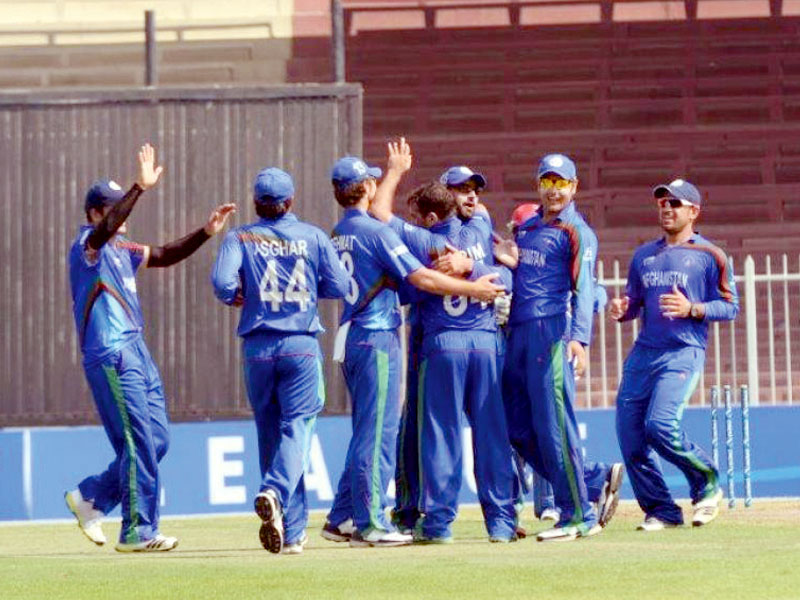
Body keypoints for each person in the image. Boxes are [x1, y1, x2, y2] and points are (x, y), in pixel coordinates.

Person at [322, 147, 505, 548]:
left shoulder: (339, 234)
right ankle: (370, 523)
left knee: (365, 432)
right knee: (380, 434)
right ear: (367, 187)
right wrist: (476, 285)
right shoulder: (379, 232)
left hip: (351, 334)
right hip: (379, 336)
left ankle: (340, 517)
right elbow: (423, 280)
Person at [65, 144, 235, 552]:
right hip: (110, 352)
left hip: (135, 349)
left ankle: (91, 497)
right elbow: (107, 230)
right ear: (93, 213)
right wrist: (139, 188)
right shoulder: (89, 244)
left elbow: (163, 254)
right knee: (138, 442)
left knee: (156, 440)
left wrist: (205, 233)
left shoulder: (122, 250)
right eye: (112, 207)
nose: (121, 217)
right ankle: (138, 530)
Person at [370, 153, 517, 543]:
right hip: (485, 343)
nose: (471, 197)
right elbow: (504, 273)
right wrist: (483, 267)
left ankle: (438, 523)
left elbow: (379, 210)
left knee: (441, 434)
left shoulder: (424, 238)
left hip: (443, 344)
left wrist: (397, 171)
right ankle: (501, 522)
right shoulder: (482, 230)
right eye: (462, 191)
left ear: (431, 216)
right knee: (491, 434)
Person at [211, 167, 349, 555]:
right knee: (298, 430)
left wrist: (237, 295)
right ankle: (274, 491)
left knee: (273, 437)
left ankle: (292, 532)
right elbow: (338, 285)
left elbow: (222, 284)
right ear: (290, 202)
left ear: (256, 202)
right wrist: (305, 289)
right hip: (299, 344)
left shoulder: (240, 236)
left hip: (257, 348)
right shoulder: (313, 236)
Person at [502, 153, 623, 542]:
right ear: (539, 184)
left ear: (574, 188)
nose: (554, 190)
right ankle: (589, 479)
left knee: (554, 426)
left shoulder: (577, 232)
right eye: (548, 182)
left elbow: (585, 289)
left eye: (561, 183)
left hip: (549, 332)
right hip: (516, 334)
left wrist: (579, 339)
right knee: (517, 428)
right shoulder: (528, 227)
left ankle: (578, 514)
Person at [610, 178, 738, 530]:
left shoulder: (710, 255)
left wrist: (692, 308)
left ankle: (707, 481)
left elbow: (730, 307)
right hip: (644, 353)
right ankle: (662, 510)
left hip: (683, 351)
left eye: (675, 203)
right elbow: (634, 303)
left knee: (659, 426)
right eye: (663, 202)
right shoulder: (643, 256)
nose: (667, 208)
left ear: (694, 211)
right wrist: (623, 310)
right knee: (630, 435)